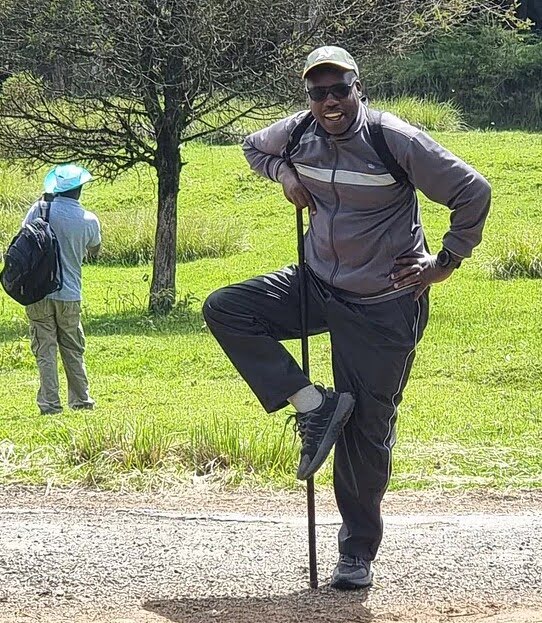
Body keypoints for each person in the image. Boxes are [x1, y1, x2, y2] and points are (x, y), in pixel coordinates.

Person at [203, 46, 491, 589]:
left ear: (358, 88)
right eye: (318, 92)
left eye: (339, 89)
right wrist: (285, 173)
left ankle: (356, 553)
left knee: (365, 429)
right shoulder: (296, 132)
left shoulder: (394, 139)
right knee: (228, 308)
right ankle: (313, 403)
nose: (329, 101)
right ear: (307, 96)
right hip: (317, 283)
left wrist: (445, 263)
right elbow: (250, 146)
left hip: (385, 302)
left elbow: (473, 190)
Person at [24, 164, 101, 415]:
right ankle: (81, 400)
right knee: (73, 348)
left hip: (38, 292)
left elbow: (24, 236)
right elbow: (94, 250)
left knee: (45, 349)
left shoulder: (40, 209)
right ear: (79, 190)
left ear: (56, 189)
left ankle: (50, 405)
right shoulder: (89, 220)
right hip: (70, 294)